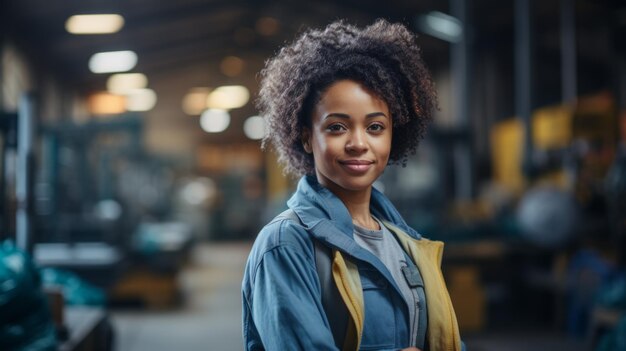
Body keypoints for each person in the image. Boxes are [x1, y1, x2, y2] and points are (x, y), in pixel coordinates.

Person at [242, 19, 463, 351]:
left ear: (394, 134)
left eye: (375, 127)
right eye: (336, 127)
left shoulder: (403, 242)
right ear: (305, 136)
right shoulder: (286, 245)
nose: (359, 143)